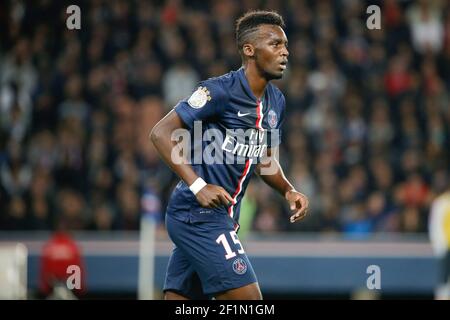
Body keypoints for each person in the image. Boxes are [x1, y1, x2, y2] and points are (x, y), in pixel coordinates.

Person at [150, 10, 309, 300]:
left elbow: (265, 161)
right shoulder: (218, 91)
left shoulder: (277, 102)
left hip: (222, 216)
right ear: (250, 50)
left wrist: (288, 190)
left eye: (285, 45)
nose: (285, 52)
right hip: (197, 214)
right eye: (275, 44)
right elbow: (160, 133)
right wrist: (198, 186)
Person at [429, 185, 450, 300]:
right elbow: (435, 228)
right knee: (444, 285)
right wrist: (441, 249)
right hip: (446, 250)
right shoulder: (441, 203)